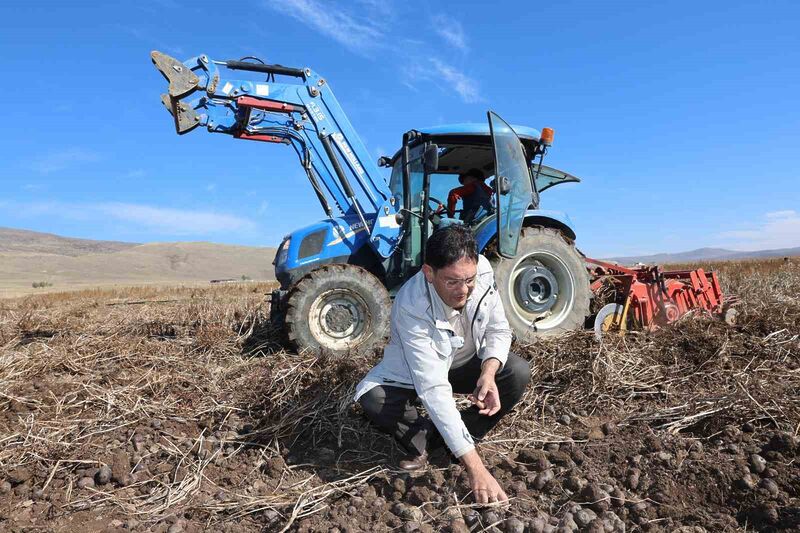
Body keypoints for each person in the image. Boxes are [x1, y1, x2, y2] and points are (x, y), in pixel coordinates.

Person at [354, 225, 531, 504]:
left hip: (463, 362)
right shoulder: (411, 304)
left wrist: (488, 373)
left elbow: (499, 330)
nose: (464, 291)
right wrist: (476, 469)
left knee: (517, 372)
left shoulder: (482, 270)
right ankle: (433, 441)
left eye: (469, 280)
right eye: (452, 282)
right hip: (416, 371)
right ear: (428, 272)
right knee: (373, 398)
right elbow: (433, 386)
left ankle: (458, 440)